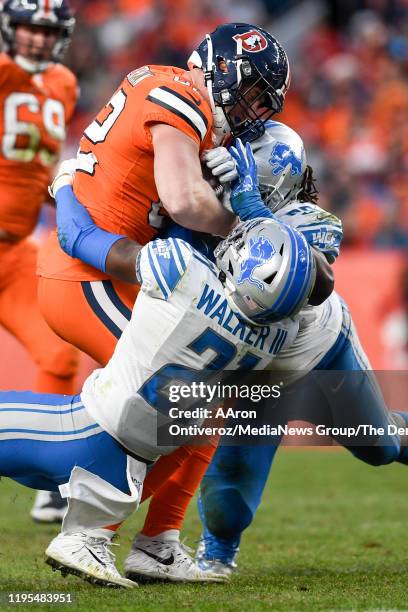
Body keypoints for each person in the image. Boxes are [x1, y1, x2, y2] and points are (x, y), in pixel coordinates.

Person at [36, 22, 292, 579]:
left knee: (207, 403)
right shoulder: (182, 94)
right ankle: (87, 535)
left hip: (114, 271)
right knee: (174, 402)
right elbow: (182, 202)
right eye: (249, 94)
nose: (252, 113)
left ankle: (158, 543)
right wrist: (247, 222)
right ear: (219, 69)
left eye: (261, 104)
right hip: (89, 273)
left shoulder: (169, 90)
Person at [0, 214, 318, 588]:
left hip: (80, 432)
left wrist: (67, 181)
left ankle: (95, 539)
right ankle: (105, 538)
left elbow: (78, 236)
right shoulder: (280, 339)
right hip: (125, 474)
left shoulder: (182, 268)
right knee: (201, 424)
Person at [195, 122, 408, 576]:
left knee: (380, 446)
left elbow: (317, 284)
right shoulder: (200, 216)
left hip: (323, 355)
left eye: (237, 175)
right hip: (260, 373)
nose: (221, 183)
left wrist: (252, 209)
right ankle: (216, 553)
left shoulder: (313, 220)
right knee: (225, 501)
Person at [0, 0, 79, 522]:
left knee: (60, 354)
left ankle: (51, 485)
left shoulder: (64, 85)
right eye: (27, 28)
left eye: (44, 31)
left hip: (14, 251)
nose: (35, 39)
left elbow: (38, 169)